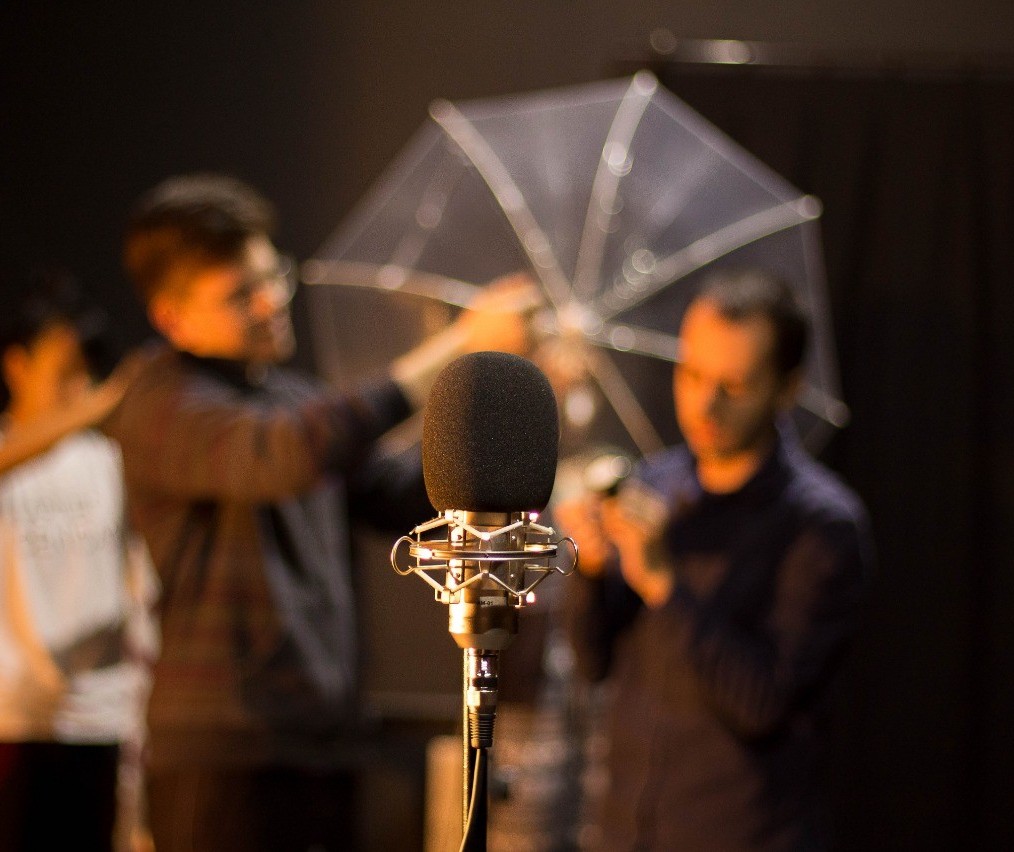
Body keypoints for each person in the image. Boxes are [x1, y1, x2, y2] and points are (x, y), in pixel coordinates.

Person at [105, 172, 537, 852]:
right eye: (240, 294)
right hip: (223, 752)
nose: (272, 300)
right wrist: (455, 349)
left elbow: (405, 492)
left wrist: (509, 417)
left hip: (322, 740)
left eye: (271, 274)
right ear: (171, 317)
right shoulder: (160, 402)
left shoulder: (292, 399)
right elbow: (283, 453)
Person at [558, 269, 873, 851]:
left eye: (735, 383)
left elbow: (763, 702)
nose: (706, 403)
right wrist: (591, 570)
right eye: (693, 373)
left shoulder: (822, 525)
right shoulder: (653, 484)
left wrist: (663, 584)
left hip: (740, 833)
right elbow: (591, 662)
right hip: (624, 830)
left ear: (786, 389)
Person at [0, 272, 157, 852]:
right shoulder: (11, 451)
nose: (81, 389)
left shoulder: (110, 460)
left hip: (103, 717)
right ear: (16, 365)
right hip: (14, 715)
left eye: (86, 375)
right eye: (64, 372)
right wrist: (98, 404)